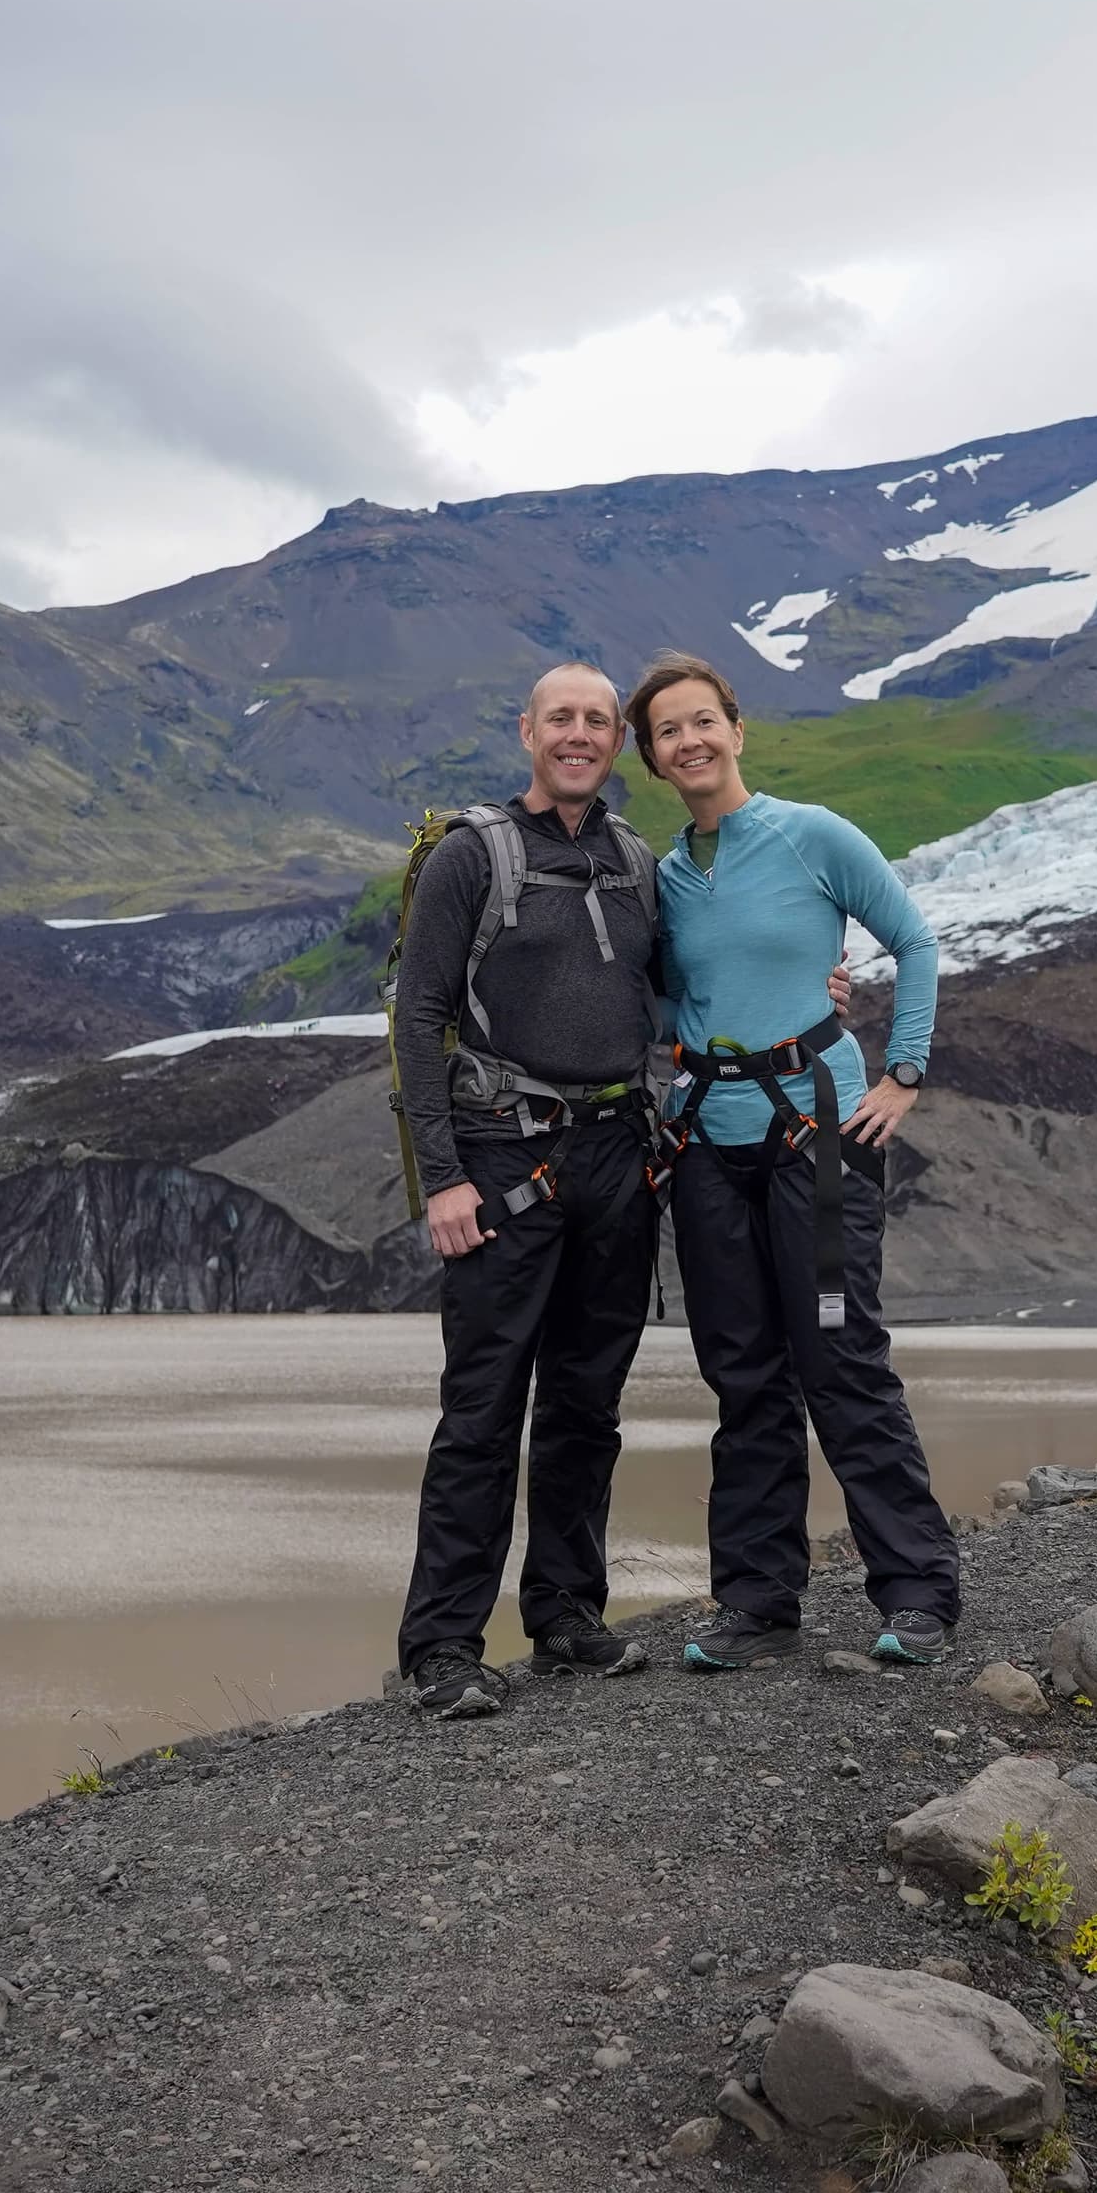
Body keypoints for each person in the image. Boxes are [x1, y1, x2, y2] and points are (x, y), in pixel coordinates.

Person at [625, 650, 961, 1671]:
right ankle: (759, 1604)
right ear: (652, 758)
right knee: (744, 1375)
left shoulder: (812, 835)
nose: (690, 741)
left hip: (816, 1139)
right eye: (668, 731)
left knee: (839, 1357)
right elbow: (673, 1000)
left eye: (703, 721)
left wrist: (903, 1073)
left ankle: (918, 1590)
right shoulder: (665, 880)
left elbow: (915, 941)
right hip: (707, 1148)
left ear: (736, 728)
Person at [387, 663, 667, 1720]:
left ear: (616, 740)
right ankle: (443, 1646)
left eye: (598, 720)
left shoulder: (635, 861)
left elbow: (672, 993)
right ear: (528, 732)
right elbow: (419, 1018)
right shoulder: (473, 854)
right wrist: (444, 1178)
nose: (579, 734)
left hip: (618, 1159)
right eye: (562, 719)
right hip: (505, 1159)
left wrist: (812, 983)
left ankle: (565, 1613)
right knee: (484, 1407)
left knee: (588, 1403)